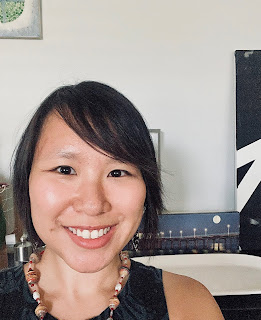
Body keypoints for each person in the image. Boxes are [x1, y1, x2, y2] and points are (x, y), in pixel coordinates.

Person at [0, 81, 224, 320]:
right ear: (26, 181)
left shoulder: (189, 304)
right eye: (65, 170)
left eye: (117, 172)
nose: (93, 204)